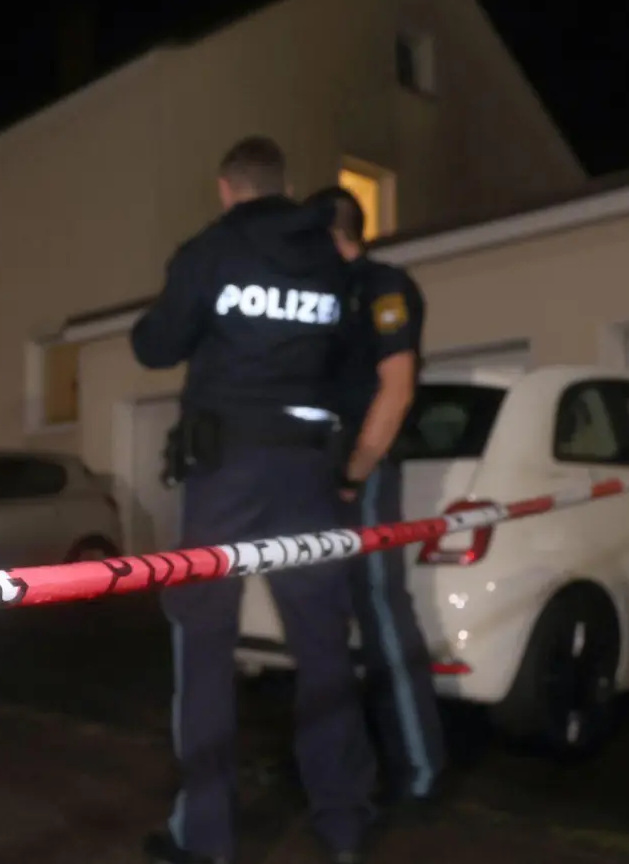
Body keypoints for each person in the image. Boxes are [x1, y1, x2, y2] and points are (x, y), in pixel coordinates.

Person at [132, 136, 374, 864]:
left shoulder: (210, 251)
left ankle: (205, 839)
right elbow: (348, 361)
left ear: (225, 187)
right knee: (323, 647)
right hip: (306, 466)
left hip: (227, 467)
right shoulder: (331, 262)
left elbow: (155, 344)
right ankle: (344, 825)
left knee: (204, 644)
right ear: (283, 184)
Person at [305, 185, 446, 819]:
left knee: (382, 613)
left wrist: (355, 472)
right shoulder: (322, 296)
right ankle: (348, 772)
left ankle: (419, 772)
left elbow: (396, 390)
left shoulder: (384, 286)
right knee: (327, 622)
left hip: (359, 468)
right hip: (316, 469)